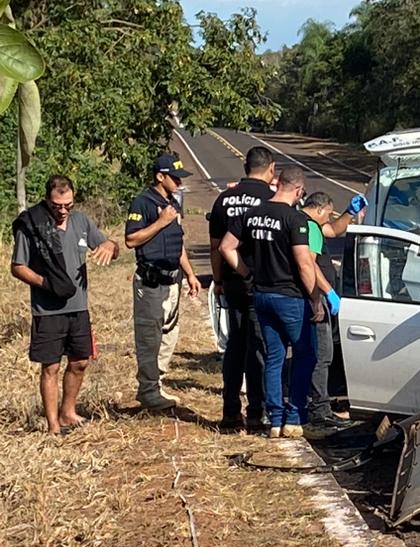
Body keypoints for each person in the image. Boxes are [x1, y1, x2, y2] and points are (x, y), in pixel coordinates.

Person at [10, 176, 119, 434]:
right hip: (48, 310)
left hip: (79, 307)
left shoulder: (81, 221)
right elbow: (17, 267)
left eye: (68, 205)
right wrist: (44, 283)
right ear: (48, 200)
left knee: (80, 361)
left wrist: (108, 246)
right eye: (58, 205)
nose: (63, 210)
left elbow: (112, 247)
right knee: (51, 367)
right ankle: (53, 425)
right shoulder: (34, 227)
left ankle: (68, 412)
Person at [218, 168, 321, 438]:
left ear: (280, 185)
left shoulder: (251, 214)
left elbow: (226, 247)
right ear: (298, 191)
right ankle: (294, 418)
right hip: (290, 297)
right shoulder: (295, 218)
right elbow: (303, 262)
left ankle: (275, 420)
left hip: (261, 296)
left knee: (273, 358)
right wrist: (316, 298)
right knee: (305, 355)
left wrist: (247, 274)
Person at [207, 146, 276, 431]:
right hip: (262, 283)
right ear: (270, 169)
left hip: (233, 283)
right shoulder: (272, 199)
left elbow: (215, 248)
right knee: (259, 347)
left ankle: (230, 412)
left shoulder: (224, 200)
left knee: (236, 344)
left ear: (246, 167)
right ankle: (256, 412)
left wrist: (219, 280)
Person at [125, 154, 202, 410]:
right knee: (150, 337)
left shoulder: (171, 204)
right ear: (160, 177)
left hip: (172, 281)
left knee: (169, 335)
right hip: (151, 281)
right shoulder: (143, 203)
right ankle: (147, 390)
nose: (179, 182)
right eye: (175, 177)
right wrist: (161, 222)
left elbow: (177, 243)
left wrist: (190, 274)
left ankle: (157, 385)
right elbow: (131, 240)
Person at [300, 190, 366, 432]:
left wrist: (350, 212)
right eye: (328, 213)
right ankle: (319, 410)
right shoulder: (311, 228)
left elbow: (335, 230)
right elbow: (309, 263)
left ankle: (319, 406)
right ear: (318, 209)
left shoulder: (312, 225)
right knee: (322, 354)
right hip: (317, 298)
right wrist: (327, 292)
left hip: (316, 297)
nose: (329, 218)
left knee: (318, 353)